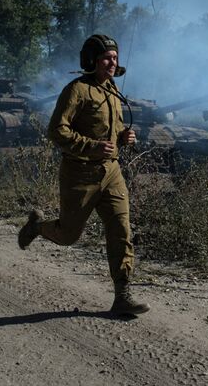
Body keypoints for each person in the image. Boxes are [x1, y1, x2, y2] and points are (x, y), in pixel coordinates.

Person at [18, 34, 149, 316]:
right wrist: (92, 146)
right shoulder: (76, 90)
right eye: (106, 58)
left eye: (115, 57)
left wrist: (123, 137)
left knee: (121, 230)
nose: (112, 62)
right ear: (91, 60)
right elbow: (57, 130)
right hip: (80, 173)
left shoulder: (113, 90)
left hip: (111, 172)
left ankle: (122, 296)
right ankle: (37, 227)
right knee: (68, 235)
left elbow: (110, 129)